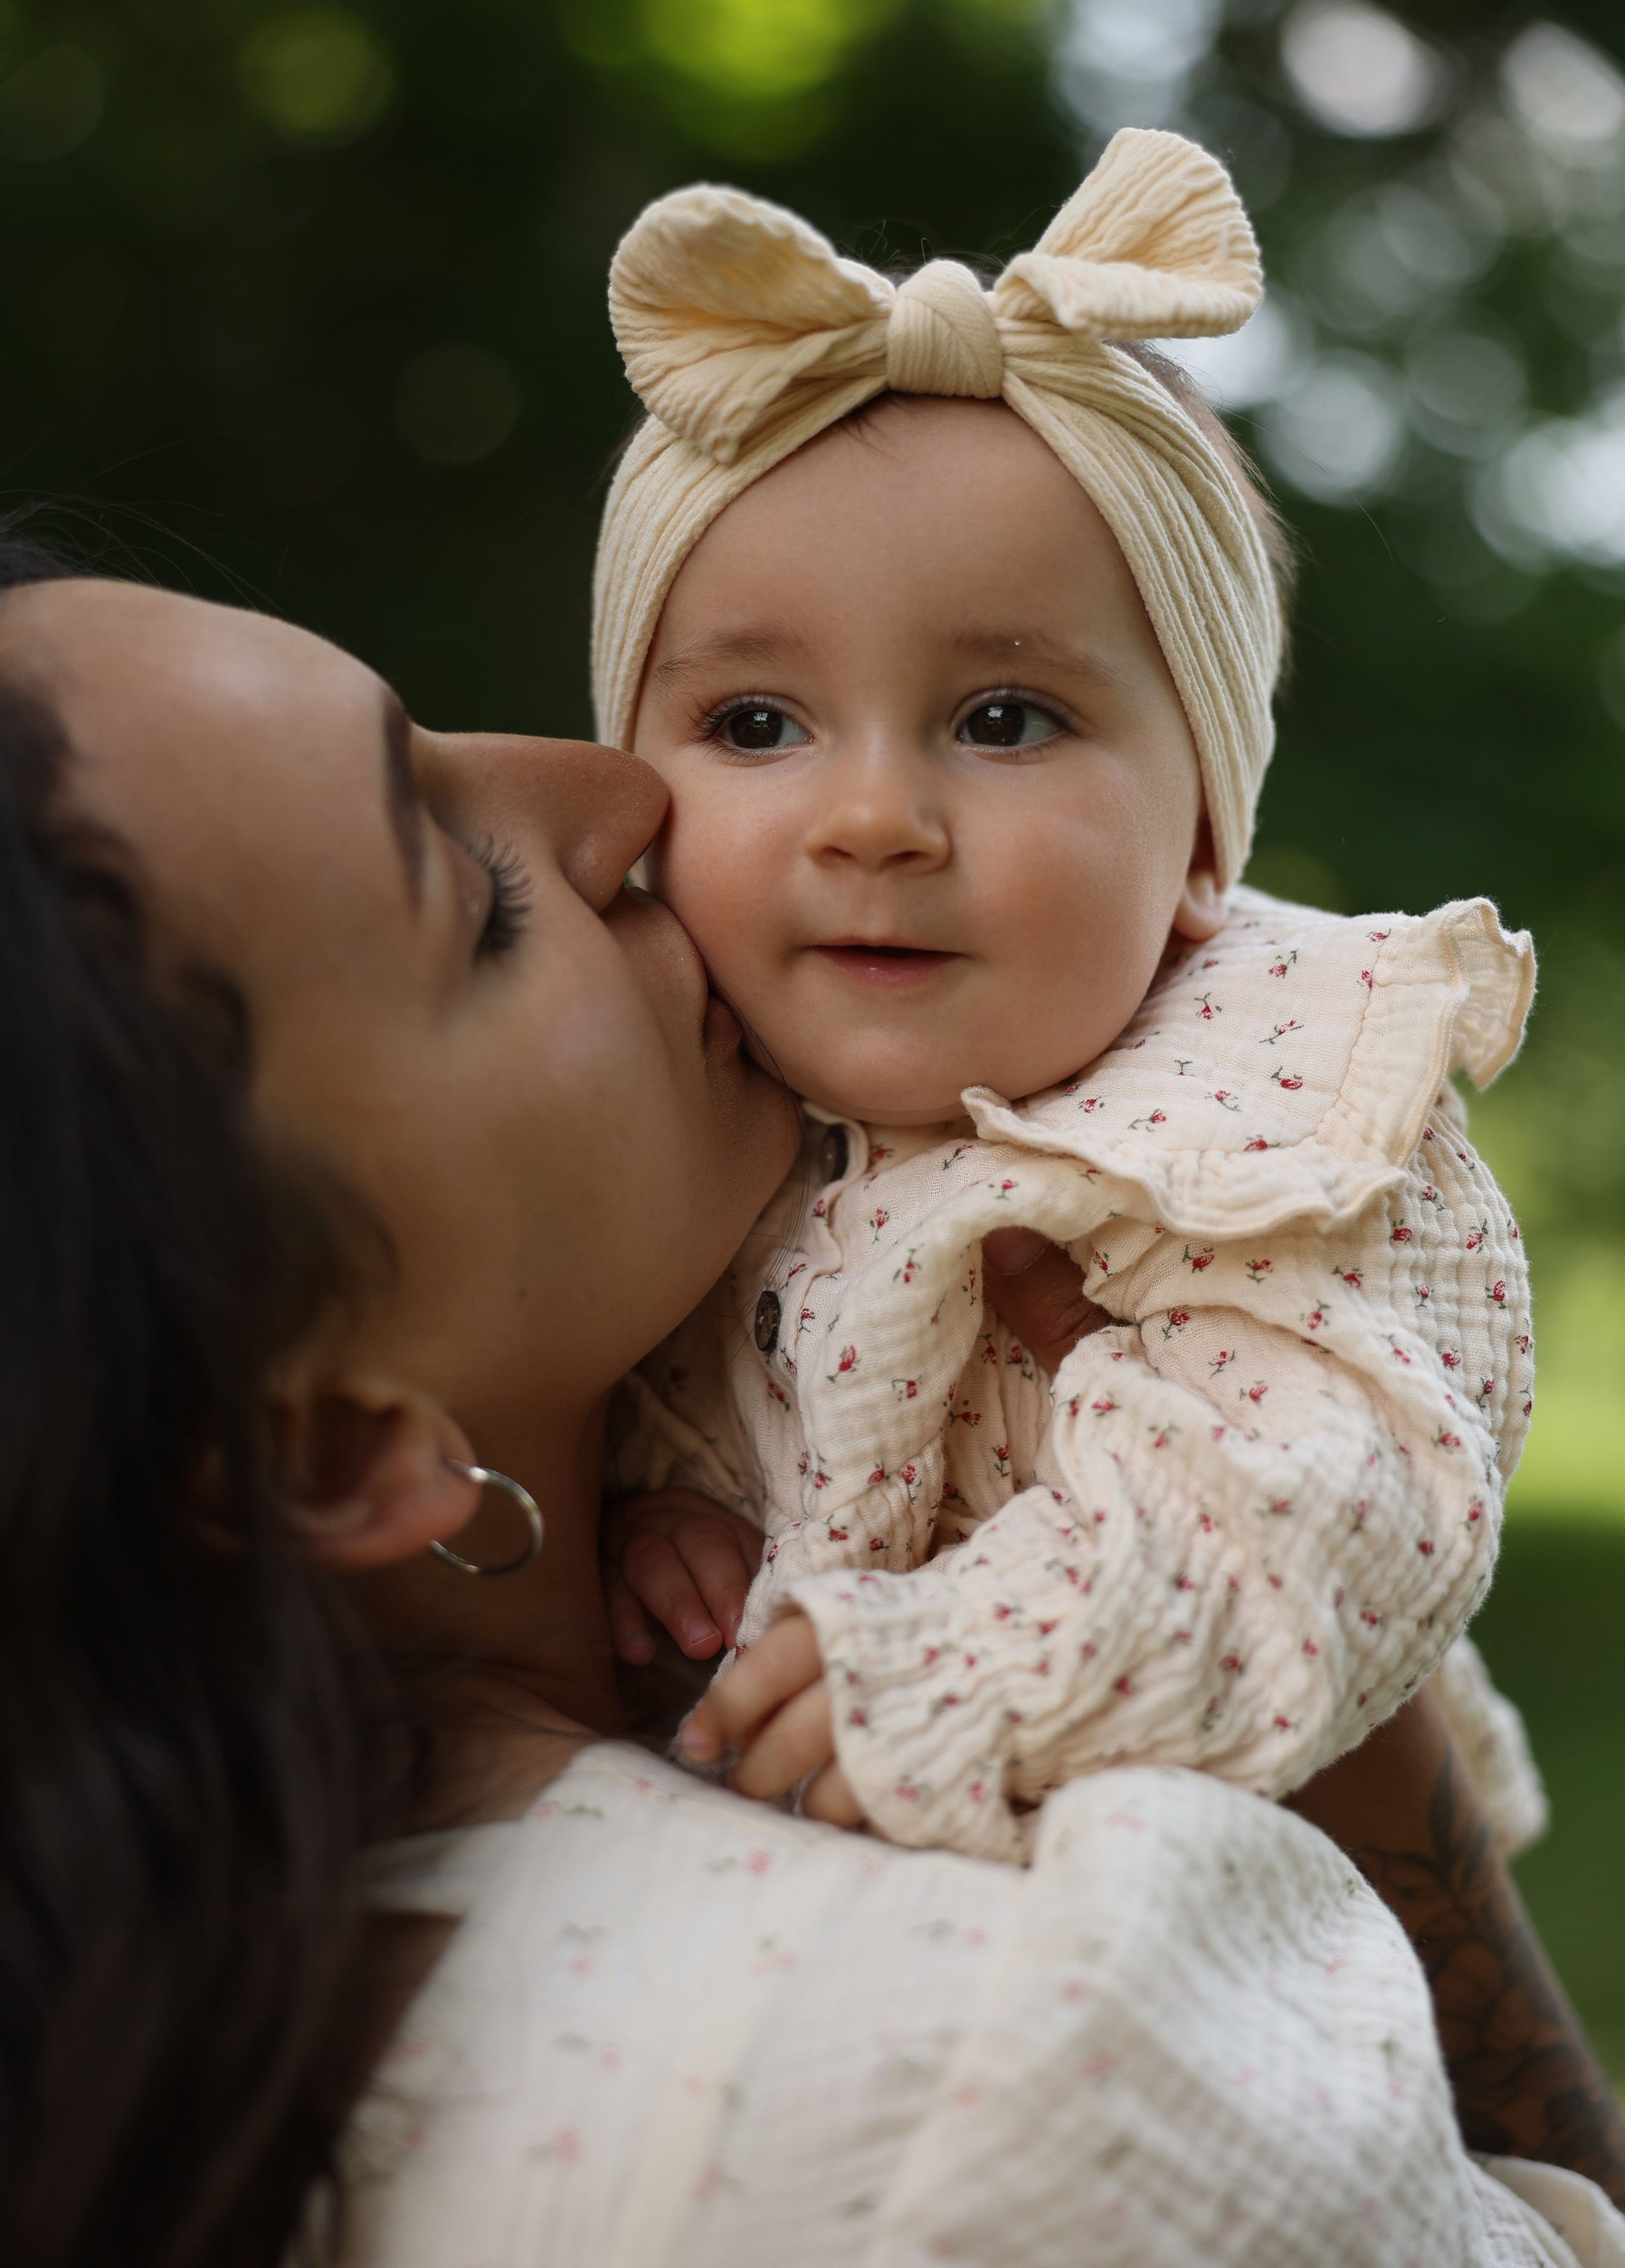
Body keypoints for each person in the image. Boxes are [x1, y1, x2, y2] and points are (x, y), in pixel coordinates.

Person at [0, 551, 1621, 2264]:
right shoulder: (1027, 2056)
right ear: (321, 1451)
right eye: (471, 901)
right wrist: (1291, 1623)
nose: (629, 789)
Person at [584, 127, 1541, 1873]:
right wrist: (662, 1513)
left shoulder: (1255, 1114)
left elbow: (1335, 1513)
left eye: (1005, 720)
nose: (871, 820)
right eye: (756, 726)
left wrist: (960, 1667)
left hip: (1220, 1939)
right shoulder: (648, 1113)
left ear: (1200, 837)